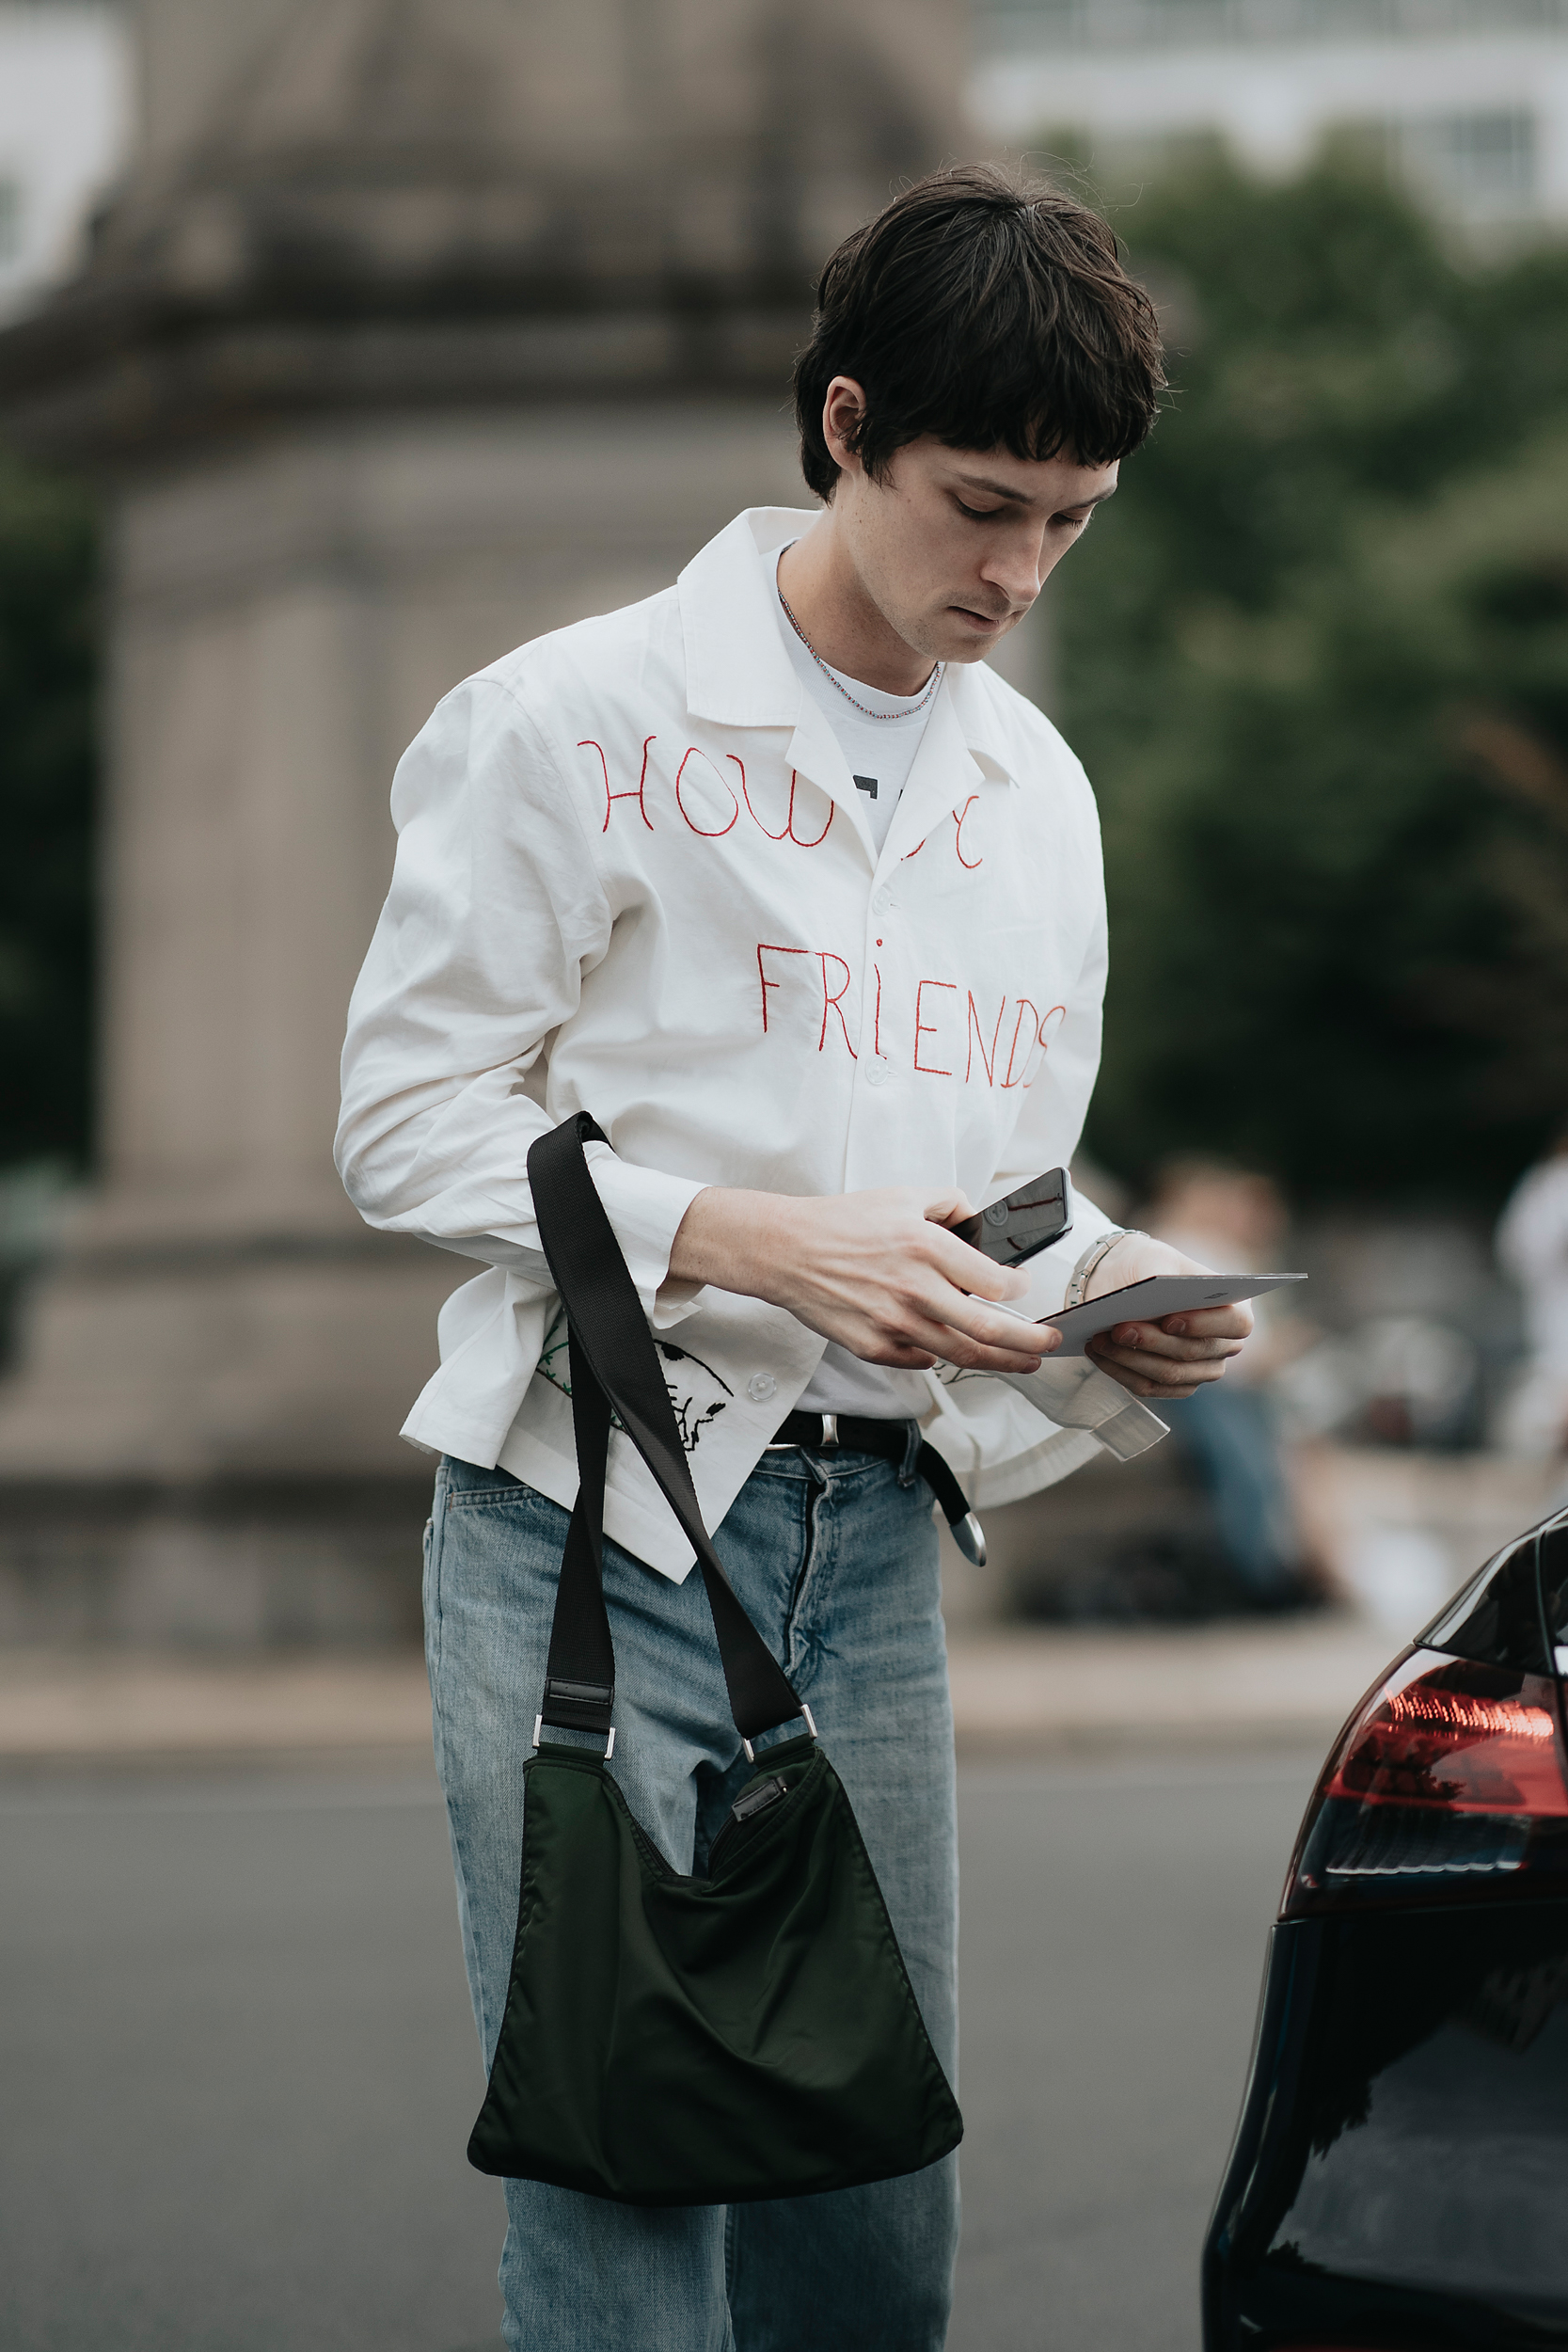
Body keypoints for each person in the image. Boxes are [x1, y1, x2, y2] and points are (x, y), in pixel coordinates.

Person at [336, 164, 1254, 2352]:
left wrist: (1117, 1294)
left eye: (1072, 520)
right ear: (842, 427)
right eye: (980, 505)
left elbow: (993, 1185)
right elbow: (399, 1119)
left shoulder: (1036, 792)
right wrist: (749, 1240)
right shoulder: (570, 720)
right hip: (598, 1528)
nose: (1020, 571)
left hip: (868, 1552)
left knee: (870, 2199)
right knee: (632, 2174)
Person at [1145, 1156, 1312, 1608]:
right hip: (1213, 1386)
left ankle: (1269, 1573)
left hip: (1233, 1384)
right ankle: (1257, 1579)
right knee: (1247, 1474)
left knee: (1268, 1474)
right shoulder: (1171, 1244)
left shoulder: (1216, 1246)